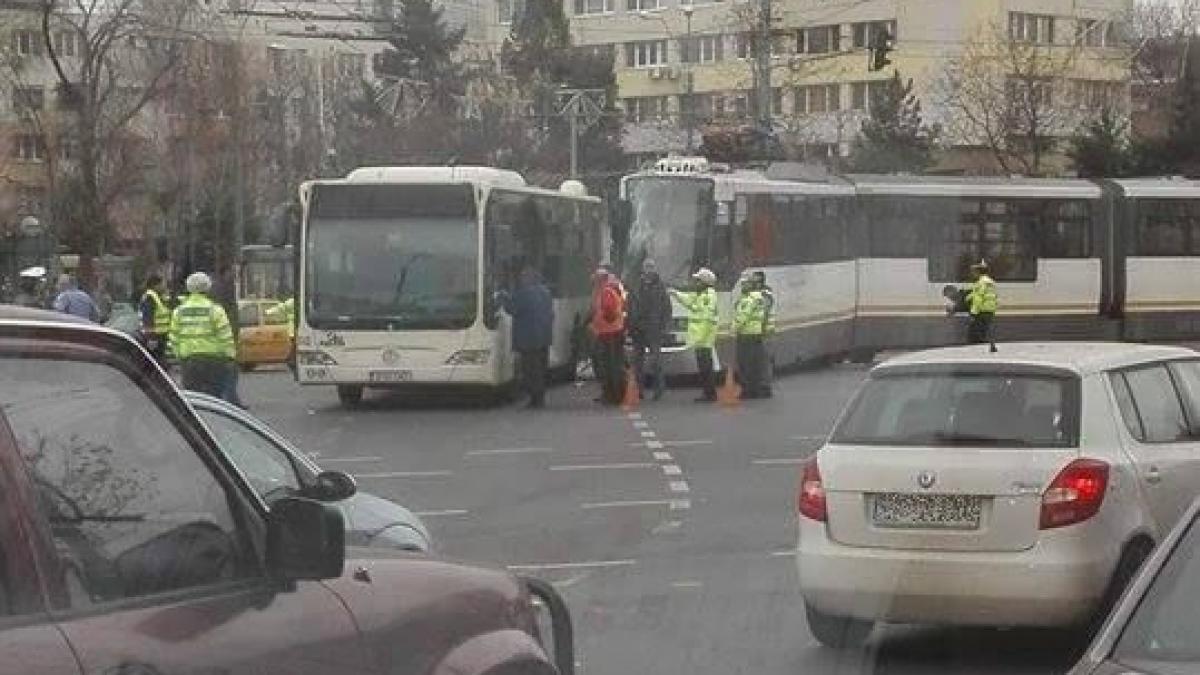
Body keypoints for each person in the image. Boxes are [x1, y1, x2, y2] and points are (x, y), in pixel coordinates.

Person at [170, 272, 239, 403]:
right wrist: (230, 356)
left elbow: (174, 338)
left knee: (194, 399)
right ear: (207, 288)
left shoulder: (179, 311)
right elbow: (225, 336)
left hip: (189, 361)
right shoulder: (215, 309)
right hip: (213, 360)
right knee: (214, 399)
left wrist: (179, 356)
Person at [501, 267, 555, 408]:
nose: (521, 279)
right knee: (540, 369)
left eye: (523, 277)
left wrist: (503, 298)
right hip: (544, 336)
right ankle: (540, 397)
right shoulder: (546, 292)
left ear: (529, 279)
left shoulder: (524, 293)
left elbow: (512, 309)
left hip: (529, 337)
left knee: (530, 370)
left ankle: (535, 399)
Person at [671, 267, 719, 403]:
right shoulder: (700, 294)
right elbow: (688, 300)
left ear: (705, 282)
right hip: (700, 340)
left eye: (698, 280)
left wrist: (699, 338)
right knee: (703, 367)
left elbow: (707, 319)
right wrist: (675, 293)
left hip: (703, 340)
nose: (695, 282)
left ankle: (710, 394)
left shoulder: (708, 296)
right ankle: (708, 392)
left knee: (706, 368)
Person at [627, 259, 672, 401]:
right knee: (637, 362)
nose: (649, 270)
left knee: (655, 361)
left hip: (654, 329)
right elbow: (629, 307)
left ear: (654, 269)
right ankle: (639, 390)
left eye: (651, 267)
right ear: (643, 269)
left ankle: (658, 389)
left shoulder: (660, 287)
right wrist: (630, 325)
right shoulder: (635, 286)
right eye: (647, 267)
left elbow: (667, 308)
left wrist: (664, 327)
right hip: (638, 329)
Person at [590, 266, 626, 405]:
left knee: (609, 365)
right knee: (613, 364)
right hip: (613, 331)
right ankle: (614, 394)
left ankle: (613, 395)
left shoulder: (606, 291)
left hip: (609, 333)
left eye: (596, 280)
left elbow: (609, 311)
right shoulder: (611, 289)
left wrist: (600, 323)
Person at [733, 272, 769, 399]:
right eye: (742, 284)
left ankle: (747, 390)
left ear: (751, 285)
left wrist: (733, 329)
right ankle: (755, 389)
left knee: (745, 363)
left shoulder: (750, 299)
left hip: (747, 334)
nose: (742, 286)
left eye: (745, 284)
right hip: (755, 333)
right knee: (754, 363)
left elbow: (743, 317)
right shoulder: (757, 297)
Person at [751, 270, 775, 397]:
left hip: (765, 332)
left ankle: (766, 387)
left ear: (761, 282)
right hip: (759, 332)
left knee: (765, 360)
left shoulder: (765, 295)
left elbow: (764, 314)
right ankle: (760, 385)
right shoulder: (757, 294)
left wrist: (759, 330)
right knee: (759, 360)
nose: (753, 284)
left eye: (755, 281)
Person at [965, 259, 998, 347]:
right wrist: (969, 297)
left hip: (981, 310)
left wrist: (973, 312)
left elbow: (978, 298)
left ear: (978, 272)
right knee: (987, 329)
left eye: (974, 272)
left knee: (977, 332)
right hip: (990, 310)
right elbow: (993, 296)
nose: (973, 274)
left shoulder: (980, 283)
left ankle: (978, 348)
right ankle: (990, 346)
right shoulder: (991, 282)